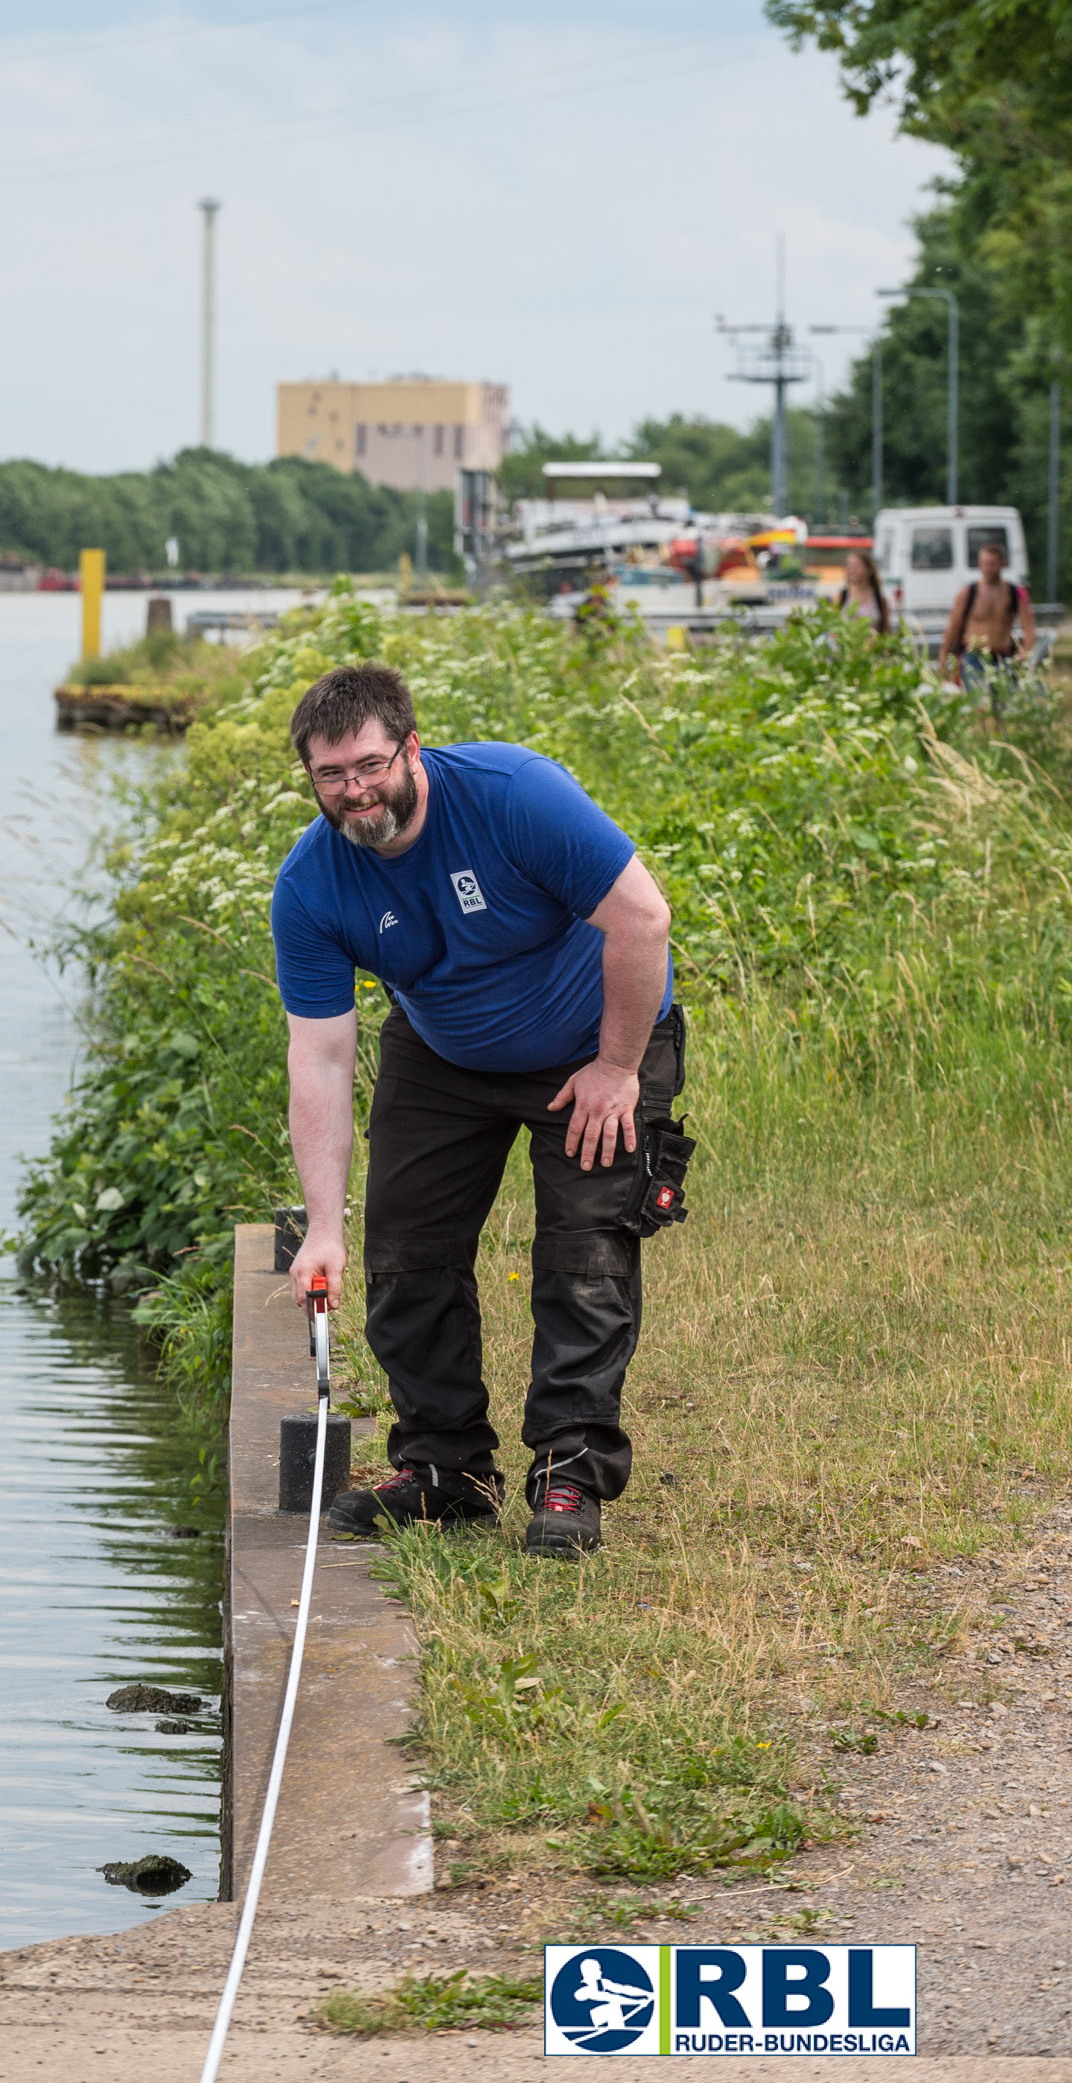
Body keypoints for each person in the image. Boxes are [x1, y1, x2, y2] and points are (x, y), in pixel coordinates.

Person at [270, 662, 690, 1561]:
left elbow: (643, 921)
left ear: (411, 748)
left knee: (584, 1253)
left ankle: (569, 1473)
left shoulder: (512, 794)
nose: (356, 792)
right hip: (446, 1053)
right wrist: (321, 1227)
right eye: (331, 777)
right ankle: (444, 1471)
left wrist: (617, 1070)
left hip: (595, 1040)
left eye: (372, 766)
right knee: (405, 1252)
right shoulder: (310, 886)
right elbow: (321, 1055)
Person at [937, 537, 1036, 691]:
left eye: (991, 564)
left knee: (1002, 706)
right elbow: (953, 627)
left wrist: (1026, 652)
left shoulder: (1014, 593)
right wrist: (943, 657)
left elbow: (1029, 628)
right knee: (979, 705)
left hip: (1003, 658)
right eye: (983, 563)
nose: (987, 568)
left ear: (1003, 564)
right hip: (973, 658)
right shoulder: (968, 593)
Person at [835, 546, 890, 633]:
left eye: (856, 566)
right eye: (849, 565)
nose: (851, 570)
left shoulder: (879, 598)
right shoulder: (842, 596)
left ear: (869, 569)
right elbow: (833, 629)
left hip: (873, 646)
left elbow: (886, 632)